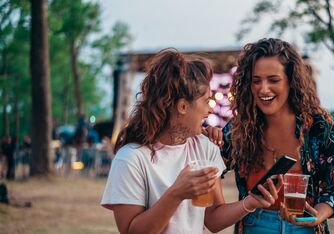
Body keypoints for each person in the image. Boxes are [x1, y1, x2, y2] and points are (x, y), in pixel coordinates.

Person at [101, 49, 282, 234]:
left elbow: (212, 218)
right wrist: (176, 193)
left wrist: (251, 202)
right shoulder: (131, 159)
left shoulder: (205, 148)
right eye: (206, 101)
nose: (210, 110)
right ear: (182, 106)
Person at [205, 38, 334, 234]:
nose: (263, 89)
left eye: (273, 80)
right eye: (256, 81)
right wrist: (208, 145)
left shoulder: (319, 128)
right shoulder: (237, 130)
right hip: (254, 225)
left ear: (291, 81)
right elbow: (207, 177)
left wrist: (315, 217)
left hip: (304, 227)